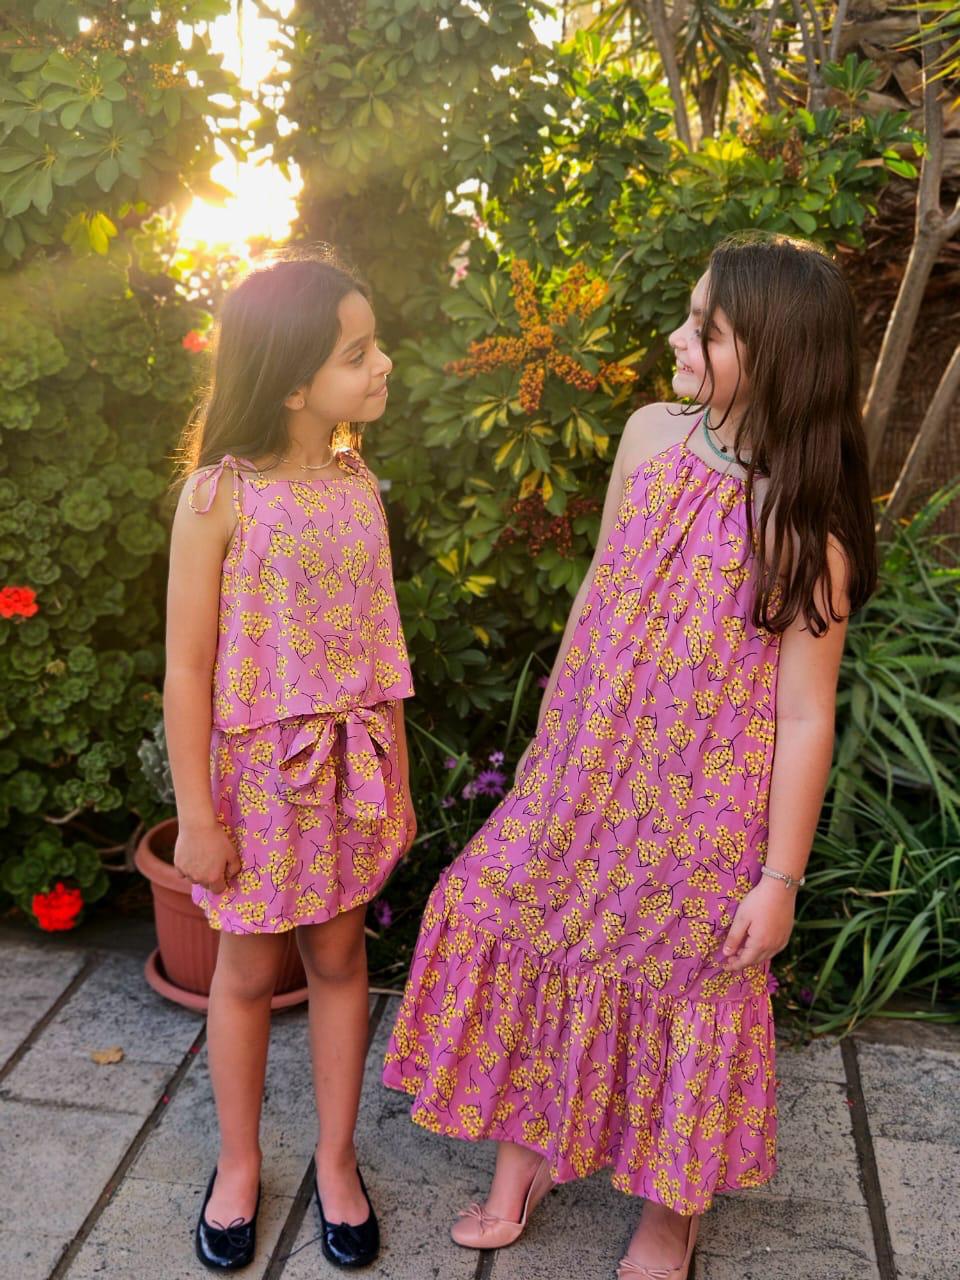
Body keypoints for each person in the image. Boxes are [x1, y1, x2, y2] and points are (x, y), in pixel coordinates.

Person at [383, 232, 875, 1279]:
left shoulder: (806, 530)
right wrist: (547, 749)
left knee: (681, 984)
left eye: (708, 329)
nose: (677, 339)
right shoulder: (650, 435)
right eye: (690, 318)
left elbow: (804, 717)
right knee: (513, 917)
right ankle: (528, 1148)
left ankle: (669, 1209)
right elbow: (600, 595)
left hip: (703, 813)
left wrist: (779, 879)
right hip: (584, 773)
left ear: (780, 358)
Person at [164, 249, 415, 1272]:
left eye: (374, 345)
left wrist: (394, 781)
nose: (383, 364)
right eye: (358, 353)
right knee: (244, 971)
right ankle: (237, 1163)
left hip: (349, 774)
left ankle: (338, 1158)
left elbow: (378, 653)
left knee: (340, 959)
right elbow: (187, 669)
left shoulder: (359, 487)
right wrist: (196, 816)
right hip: (255, 786)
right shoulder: (217, 496)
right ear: (292, 383)